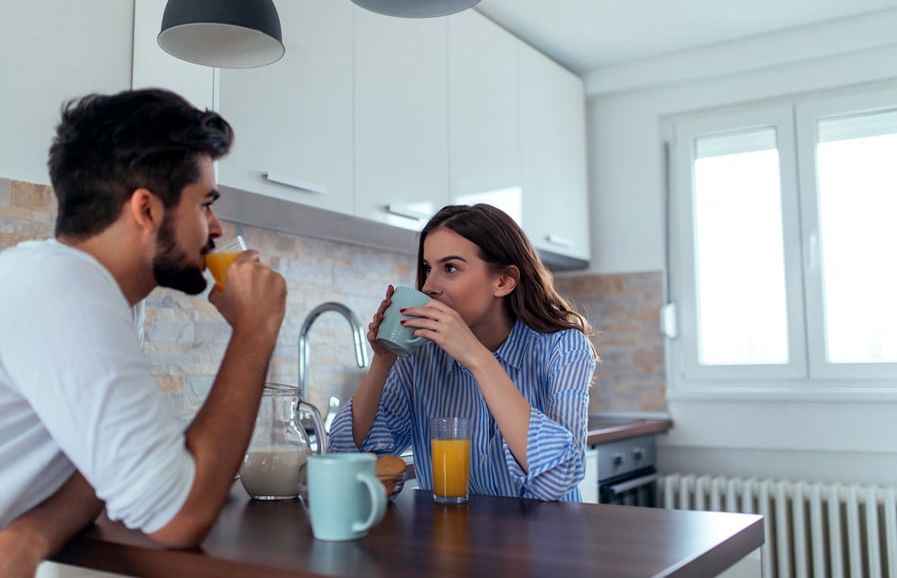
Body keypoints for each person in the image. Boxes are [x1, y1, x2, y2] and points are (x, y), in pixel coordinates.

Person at [0, 88, 287, 575]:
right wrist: (256, 329)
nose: (215, 228)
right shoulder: (64, 291)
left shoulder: (96, 294)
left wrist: (36, 532)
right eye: (205, 205)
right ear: (147, 209)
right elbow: (180, 516)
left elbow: (109, 471)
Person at [328, 203, 598, 501]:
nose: (429, 286)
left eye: (451, 268)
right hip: (448, 538)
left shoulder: (564, 347)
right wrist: (382, 360)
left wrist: (478, 359)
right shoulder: (421, 355)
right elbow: (348, 456)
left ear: (503, 280)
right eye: (428, 268)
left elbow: (557, 479)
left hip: (544, 543)